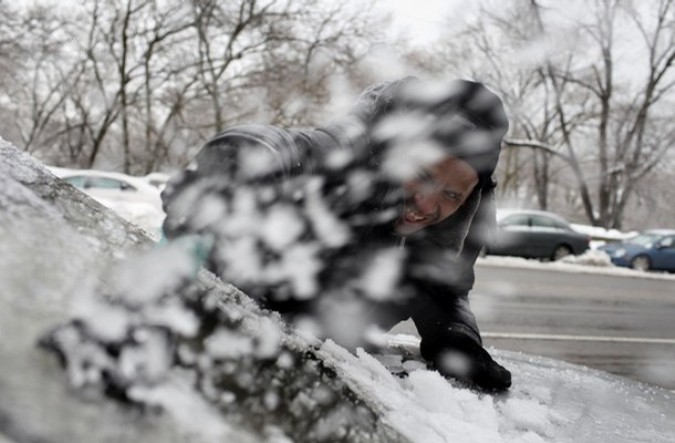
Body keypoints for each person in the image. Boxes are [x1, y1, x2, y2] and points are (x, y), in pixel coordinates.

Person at [161, 76, 512, 391]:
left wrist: (456, 338)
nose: (427, 203)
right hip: (239, 324)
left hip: (327, 351)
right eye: (423, 174)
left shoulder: (459, 226)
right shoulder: (355, 154)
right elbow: (286, 150)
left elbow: (445, 293)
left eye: (452, 195)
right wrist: (223, 172)